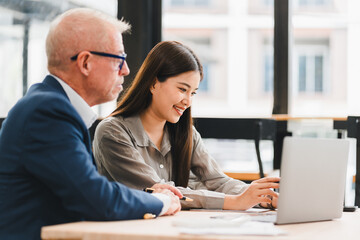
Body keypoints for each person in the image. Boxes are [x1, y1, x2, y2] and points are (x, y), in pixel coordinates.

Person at [0, 9, 181, 240]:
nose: (126, 70)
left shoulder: (49, 105)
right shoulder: (47, 112)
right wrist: (160, 202)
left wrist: (148, 195)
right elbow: (94, 198)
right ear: (85, 62)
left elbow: (86, 188)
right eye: (119, 59)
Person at [93, 41, 280, 211]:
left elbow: (215, 180)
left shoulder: (185, 131)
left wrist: (262, 196)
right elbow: (162, 193)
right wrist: (235, 202)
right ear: (153, 83)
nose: (187, 101)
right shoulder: (113, 132)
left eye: (193, 93)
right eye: (182, 89)